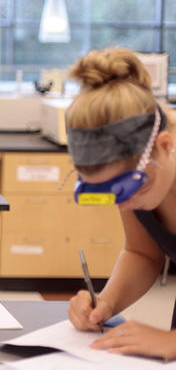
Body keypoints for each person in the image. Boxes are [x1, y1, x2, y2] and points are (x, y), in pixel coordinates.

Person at [66, 48, 176, 360]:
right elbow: (142, 252)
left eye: (127, 188)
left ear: (165, 146)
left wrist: (173, 342)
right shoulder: (140, 177)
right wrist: (106, 304)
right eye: (110, 193)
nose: (125, 206)